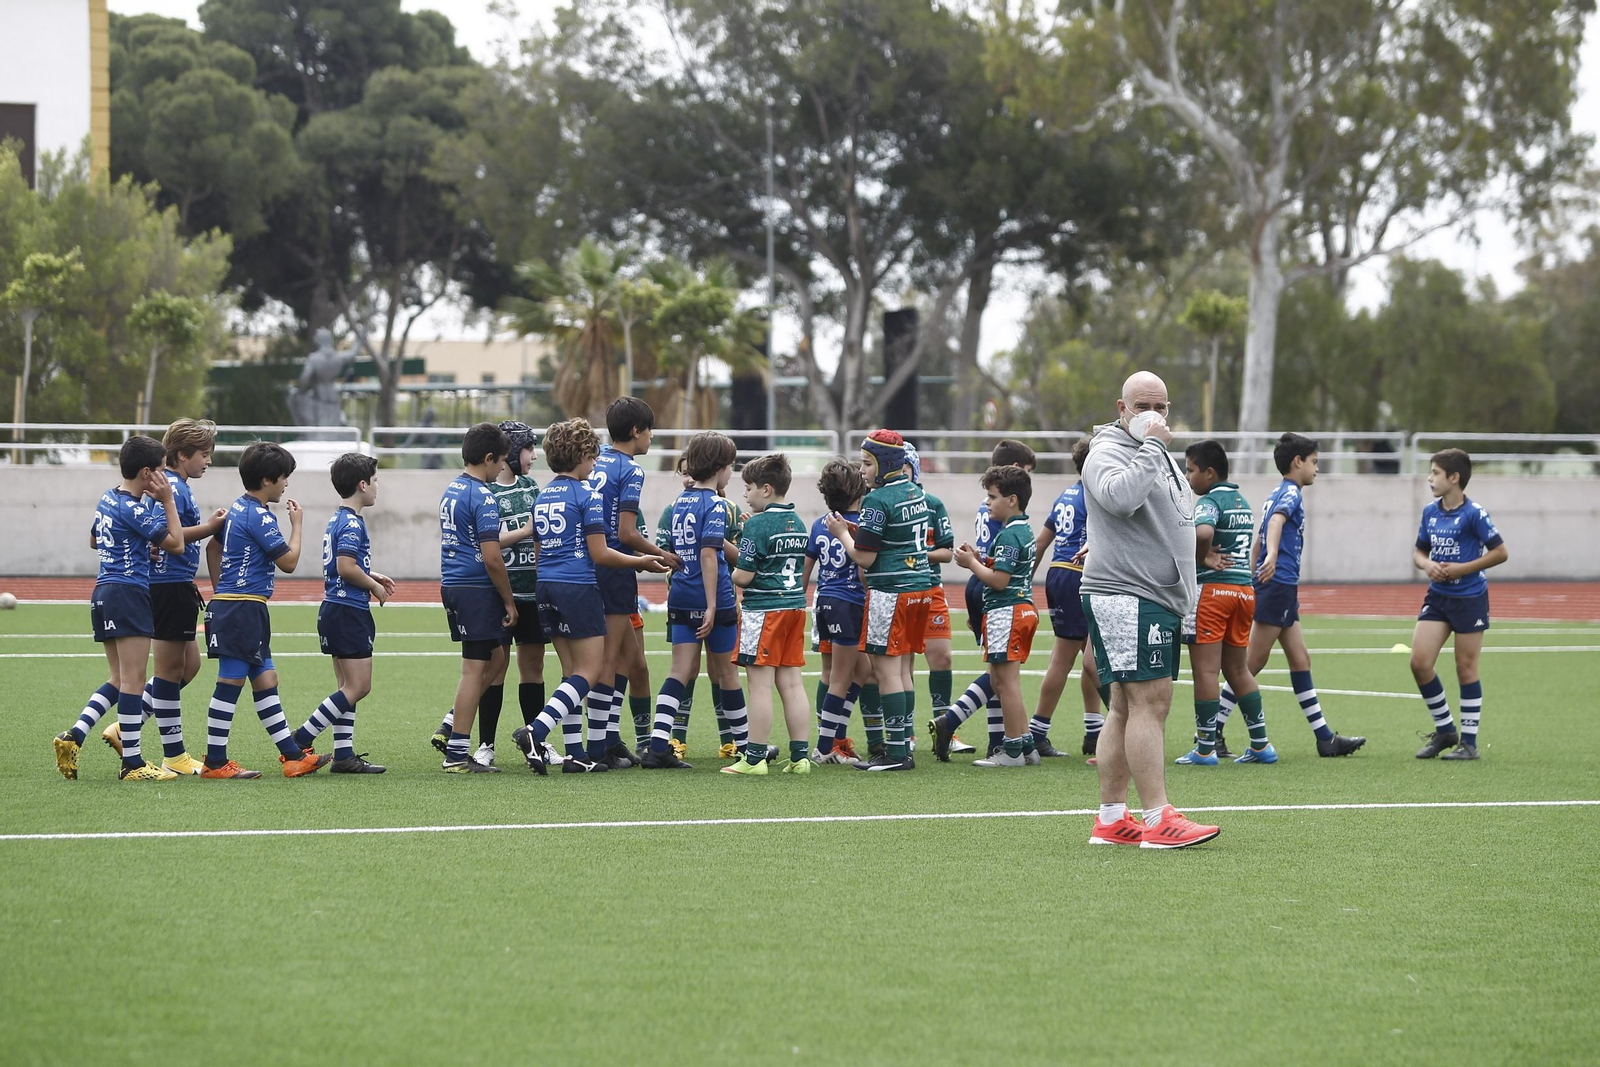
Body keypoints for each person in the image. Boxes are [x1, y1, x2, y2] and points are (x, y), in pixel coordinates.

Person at [1080, 371, 1218, 848]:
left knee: (1124, 705)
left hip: (1149, 594)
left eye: (1161, 407)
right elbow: (1120, 498)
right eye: (1142, 407)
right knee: (1149, 702)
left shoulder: (1149, 450)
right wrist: (1154, 446)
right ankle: (1158, 818)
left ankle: (1112, 818)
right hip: (1130, 594)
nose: (1154, 416)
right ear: (1122, 409)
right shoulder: (1108, 451)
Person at [510, 418, 668, 773]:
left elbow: (539, 551)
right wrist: (641, 561)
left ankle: (575, 755)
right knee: (592, 670)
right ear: (580, 456)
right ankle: (536, 731)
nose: (595, 464)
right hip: (577, 587)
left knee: (571, 672)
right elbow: (600, 554)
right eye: (593, 457)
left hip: (544, 586)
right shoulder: (587, 496)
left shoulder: (542, 496)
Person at [1218, 433, 1366, 758]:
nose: (1317, 468)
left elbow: (1260, 536)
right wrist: (1271, 557)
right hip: (1278, 585)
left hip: (1279, 586)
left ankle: (1325, 738)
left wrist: (1253, 571)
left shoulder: (1275, 492)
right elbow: (1275, 524)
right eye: (1314, 462)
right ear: (1297, 462)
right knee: (1250, 663)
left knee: (1300, 660)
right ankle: (1212, 729)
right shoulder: (1290, 493)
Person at [53, 435, 187, 781]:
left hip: (103, 592)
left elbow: (95, 539)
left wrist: (136, 546)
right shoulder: (135, 507)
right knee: (134, 681)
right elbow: (176, 544)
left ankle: (74, 735)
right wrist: (168, 501)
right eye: (160, 471)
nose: (164, 478)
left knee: (118, 678)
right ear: (146, 473)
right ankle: (133, 763)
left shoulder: (108, 497)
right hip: (129, 594)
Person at [96, 419, 226, 773]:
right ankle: (169, 752)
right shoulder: (171, 487)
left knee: (189, 666)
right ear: (182, 455)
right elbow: (169, 535)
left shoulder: (176, 485)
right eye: (204, 454)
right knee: (168, 671)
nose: (208, 461)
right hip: (168, 584)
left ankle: (132, 723)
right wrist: (210, 528)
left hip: (176, 583)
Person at [200, 442, 331, 779]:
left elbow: (212, 547)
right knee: (230, 682)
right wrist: (297, 524)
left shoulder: (237, 507)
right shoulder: (259, 516)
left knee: (266, 679)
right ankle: (215, 762)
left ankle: (293, 757)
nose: (286, 483)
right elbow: (288, 561)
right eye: (284, 477)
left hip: (242, 606)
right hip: (241, 609)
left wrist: (220, 590)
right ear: (267, 480)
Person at [825, 428, 933, 772]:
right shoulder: (915, 492)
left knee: (886, 670)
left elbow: (865, 558)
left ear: (884, 464)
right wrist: (861, 534)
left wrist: (842, 533)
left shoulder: (877, 499)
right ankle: (905, 744)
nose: (861, 470)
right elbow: (892, 537)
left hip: (891, 591)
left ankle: (896, 752)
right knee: (902, 669)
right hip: (921, 587)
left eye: (867, 463)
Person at [642, 431, 750, 769]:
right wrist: (713, 605)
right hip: (711, 597)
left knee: (679, 670)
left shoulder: (678, 503)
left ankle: (657, 744)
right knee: (728, 674)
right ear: (719, 467)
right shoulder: (715, 504)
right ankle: (746, 746)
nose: (731, 472)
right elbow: (708, 554)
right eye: (731, 466)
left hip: (680, 595)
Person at [587, 398, 680, 768]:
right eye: (650, 429)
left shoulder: (596, 460)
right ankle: (600, 745)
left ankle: (611, 739)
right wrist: (661, 555)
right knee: (609, 659)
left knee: (628, 656)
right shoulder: (631, 469)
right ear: (636, 431)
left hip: (588, 563)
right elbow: (626, 533)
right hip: (614, 568)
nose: (652, 437)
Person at [287, 452, 393, 774]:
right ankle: (299, 740)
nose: (377, 486)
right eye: (375, 480)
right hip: (348, 611)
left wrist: (372, 575)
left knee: (346, 688)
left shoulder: (338, 518)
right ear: (362, 485)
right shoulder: (351, 523)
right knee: (359, 686)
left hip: (335, 608)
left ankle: (343, 755)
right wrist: (373, 586)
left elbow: (345, 565)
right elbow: (345, 567)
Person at [1174, 441, 1275, 766]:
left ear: (1209, 472)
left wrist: (1202, 557)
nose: (1188, 477)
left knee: (1206, 671)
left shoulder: (1209, 501)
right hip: (1243, 592)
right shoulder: (1241, 501)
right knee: (1237, 669)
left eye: (1190, 470)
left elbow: (1203, 533)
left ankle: (1205, 749)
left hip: (1213, 593)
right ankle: (1261, 744)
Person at [1409, 449, 1508, 761]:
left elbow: (1500, 552)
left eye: (1435, 473)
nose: (1430, 478)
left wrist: (1462, 568)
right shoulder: (1430, 512)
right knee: (1419, 662)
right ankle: (1445, 730)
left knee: (1465, 669)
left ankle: (1469, 743)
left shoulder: (1474, 513)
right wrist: (1427, 565)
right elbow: (1419, 552)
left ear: (1454, 478)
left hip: (1470, 599)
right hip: (1438, 597)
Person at [435, 423, 518, 774]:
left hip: (454, 584)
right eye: (500, 461)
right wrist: (509, 601)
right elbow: (492, 557)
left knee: (497, 660)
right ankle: (456, 752)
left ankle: (452, 725)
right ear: (487, 458)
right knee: (474, 670)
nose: (501, 468)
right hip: (474, 588)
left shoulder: (452, 489)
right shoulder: (483, 496)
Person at [461, 420, 543, 766]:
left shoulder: (532, 488)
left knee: (533, 666)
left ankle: (537, 742)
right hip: (497, 595)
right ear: (508, 454)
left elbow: (540, 535)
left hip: (530, 593)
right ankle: (486, 744)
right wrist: (524, 530)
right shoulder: (486, 491)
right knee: (495, 668)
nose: (534, 456)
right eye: (529, 449)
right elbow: (489, 544)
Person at [724, 453, 812, 775]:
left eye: (748, 488)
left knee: (759, 686)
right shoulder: (798, 522)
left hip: (764, 611)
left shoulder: (757, 525)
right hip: (794, 607)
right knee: (792, 684)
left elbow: (744, 577)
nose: (744, 495)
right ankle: (800, 757)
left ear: (765, 489)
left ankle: (754, 758)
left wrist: (733, 569)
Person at [954, 464, 1040, 767]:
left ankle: (1012, 749)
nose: (988, 503)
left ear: (1012, 500)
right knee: (1004, 680)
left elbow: (1000, 581)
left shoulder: (1009, 534)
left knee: (1006, 683)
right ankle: (1026, 745)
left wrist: (971, 564)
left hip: (1007, 611)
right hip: (1019, 609)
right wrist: (980, 559)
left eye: (992, 497)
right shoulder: (1021, 530)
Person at [1029, 435, 1104, 760]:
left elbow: (1041, 542)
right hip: (1080, 573)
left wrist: (1025, 582)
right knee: (1079, 657)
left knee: (1084, 654)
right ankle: (1037, 732)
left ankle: (1094, 731)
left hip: (1058, 573)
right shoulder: (1097, 495)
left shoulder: (1066, 494)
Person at [804, 460, 871, 765]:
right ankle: (824, 747)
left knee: (862, 669)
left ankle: (836, 737)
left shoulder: (821, 523)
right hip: (849, 603)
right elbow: (863, 573)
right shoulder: (862, 524)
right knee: (841, 678)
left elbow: (806, 570)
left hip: (825, 601)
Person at [902, 443, 954, 755]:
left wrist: (917, 554)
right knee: (902, 662)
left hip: (930, 588)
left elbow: (946, 552)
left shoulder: (933, 504)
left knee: (942, 657)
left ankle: (944, 727)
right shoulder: (883, 502)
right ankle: (904, 731)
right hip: (900, 590)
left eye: (905, 467)